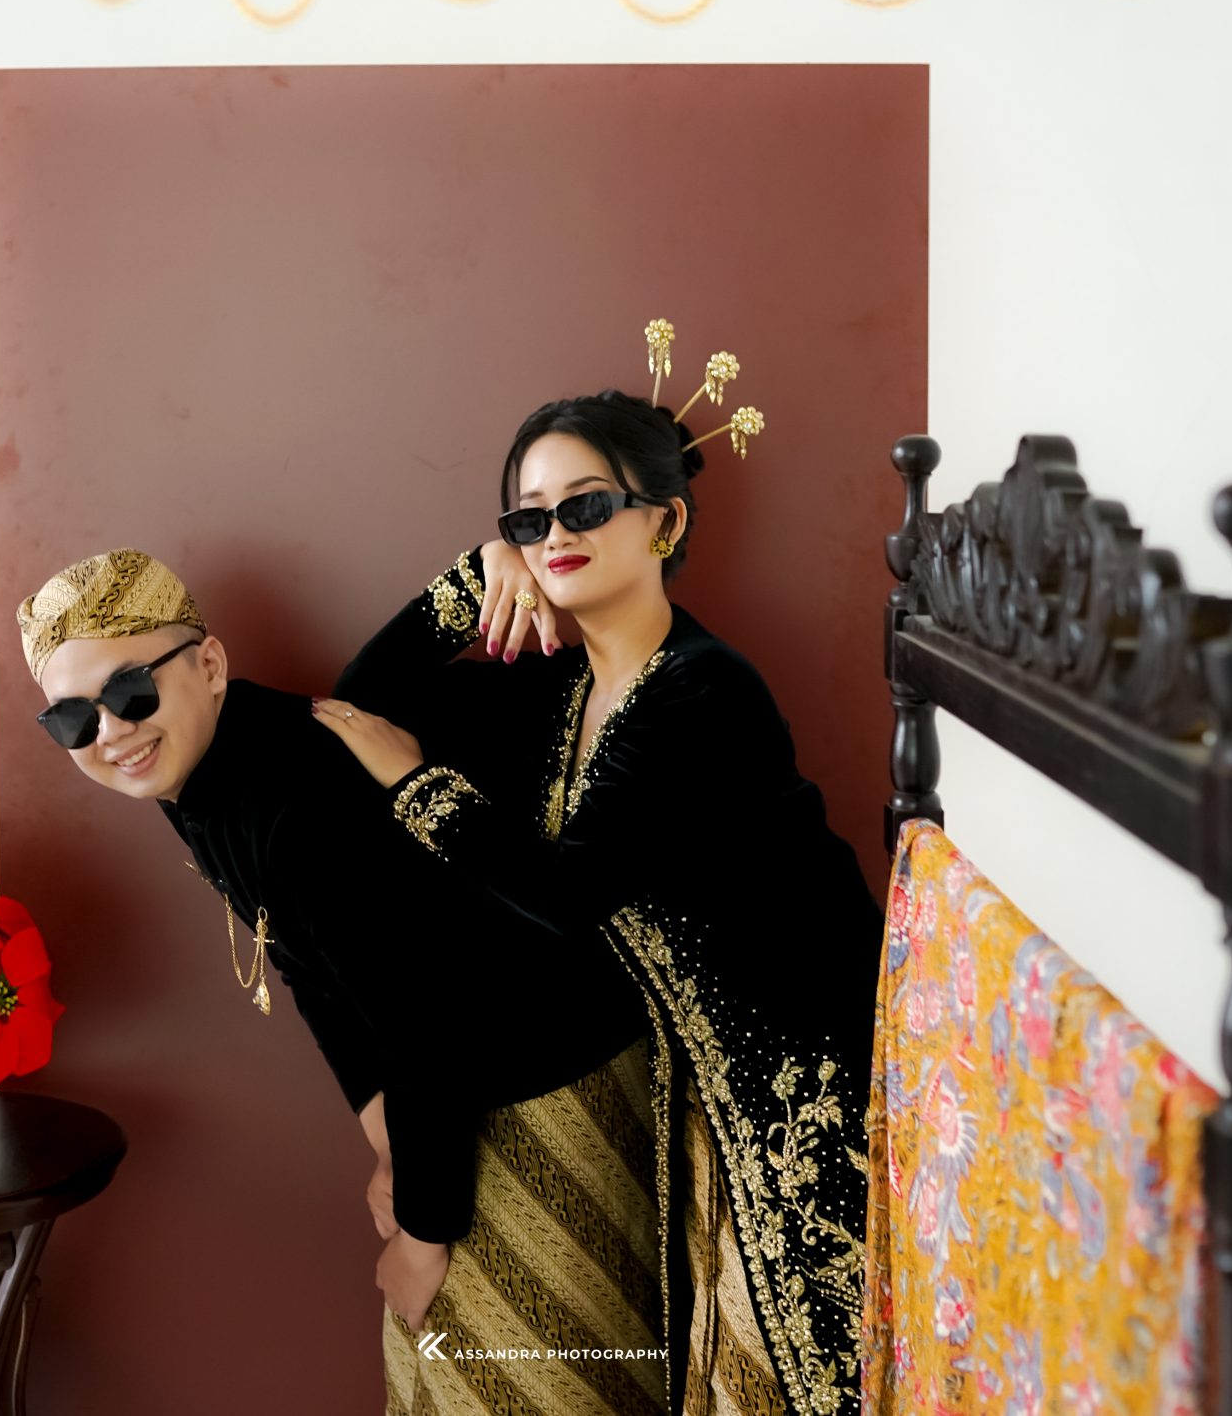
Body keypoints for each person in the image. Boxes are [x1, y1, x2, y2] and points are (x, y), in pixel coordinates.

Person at [316, 375, 886, 1416]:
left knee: (811, 1378)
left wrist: (416, 782)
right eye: (529, 519)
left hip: (803, 1079)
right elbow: (357, 703)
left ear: (664, 521)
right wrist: (471, 578)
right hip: (704, 1093)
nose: (556, 535)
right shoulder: (564, 687)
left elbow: (565, 893)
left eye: (585, 506)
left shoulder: (702, 690)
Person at [16, 549, 669, 1415]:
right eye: (72, 719)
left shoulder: (296, 802)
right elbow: (309, 972)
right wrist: (383, 1138)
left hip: (544, 1076)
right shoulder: (202, 779)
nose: (110, 733)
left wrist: (423, 1239)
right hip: (453, 1097)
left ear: (208, 666)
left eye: (132, 692)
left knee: (537, 1384)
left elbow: (424, 1027)